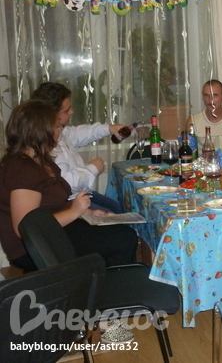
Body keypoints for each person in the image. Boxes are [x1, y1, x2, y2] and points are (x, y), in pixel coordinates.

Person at [0, 100, 138, 271]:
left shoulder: (41, 159)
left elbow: (55, 203)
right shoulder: (22, 168)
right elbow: (26, 228)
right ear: (42, 132)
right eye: (57, 126)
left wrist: (88, 213)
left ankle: (100, 282)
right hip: (32, 247)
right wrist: (75, 212)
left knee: (119, 231)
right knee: (122, 239)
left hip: (52, 231)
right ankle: (104, 285)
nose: (60, 130)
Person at [31, 82, 126, 213]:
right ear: (50, 115)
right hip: (69, 202)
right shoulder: (47, 146)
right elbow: (65, 184)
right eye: (66, 110)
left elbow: (79, 133)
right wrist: (92, 169)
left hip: (81, 194)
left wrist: (109, 128)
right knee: (116, 217)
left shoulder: (60, 132)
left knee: (120, 209)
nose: (72, 112)